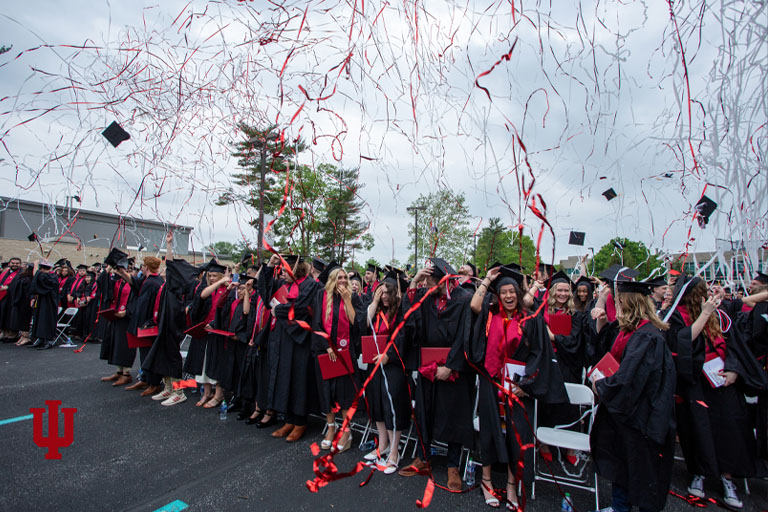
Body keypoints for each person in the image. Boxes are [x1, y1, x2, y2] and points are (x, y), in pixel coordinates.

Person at [468, 265, 567, 509]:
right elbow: (473, 306)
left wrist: (527, 385)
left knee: (517, 436)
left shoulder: (530, 320)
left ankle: (512, 486)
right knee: (490, 431)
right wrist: (487, 280)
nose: (509, 296)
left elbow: (539, 355)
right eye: (504, 292)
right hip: (491, 382)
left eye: (513, 291)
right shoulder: (491, 316)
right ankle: (486, 481)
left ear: (518, 293)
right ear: (498, 295)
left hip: (517, 387)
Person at [665, 275, 768, 510]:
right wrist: (703, 313)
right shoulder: (676, 315)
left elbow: (735, 346)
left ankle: (727, 478)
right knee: (697, 429)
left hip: (723, 382)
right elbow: (683, 340)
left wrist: (734, 370)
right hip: (695, 381)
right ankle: (699, 472)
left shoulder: (721, 315)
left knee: (729, 429)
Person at [590, 278, 676, 512]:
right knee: (622, 468)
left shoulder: (646, 337)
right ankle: (619, 507)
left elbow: (628, 381)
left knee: (636, 471)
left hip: (639, 419)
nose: (615, 305)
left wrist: (602, 385)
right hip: (625, 417)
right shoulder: (630, 332)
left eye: (618, 301)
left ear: (628, 303)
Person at [397, 258, 473, 492]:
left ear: (444, 279)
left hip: (454, 369)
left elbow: (465, 335)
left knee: (453, 415)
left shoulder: (463, 299)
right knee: (423, 411)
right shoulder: (427, 299)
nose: (428, 283)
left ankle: (453, 466)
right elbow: (409, 318)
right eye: (427, 279)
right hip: (429, 366)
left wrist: (451, 366)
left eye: (431, 279)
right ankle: (422, 457)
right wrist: (414, 282)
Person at [258, 254, 322, 441]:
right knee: (284, 377)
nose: (282, 273)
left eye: (285, 270)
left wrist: (277, 311)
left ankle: (300, 422)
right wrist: (270, 265)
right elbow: (266, 293)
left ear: (296, 269)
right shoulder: (284, 286)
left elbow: (300, 307)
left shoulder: (309, 285)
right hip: (282, 338)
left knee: (298, 380)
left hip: (299, 339)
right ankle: (289, 419)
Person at [141, 232, 201, 406]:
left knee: (173, 358)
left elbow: (170, 264)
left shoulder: (179, 288)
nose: (168, 272)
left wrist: (169, 246)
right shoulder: (167, 286)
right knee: (162, 356)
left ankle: (179, 391)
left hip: (174, 328)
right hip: (163, 325)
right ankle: (168, 387)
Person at [363, 271, 412, 474]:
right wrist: (373, 303)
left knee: (392, 408)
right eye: (381, 292)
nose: (384, 296)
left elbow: (403, 336)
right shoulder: (375, 310)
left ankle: (394, 451)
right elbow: (363, 324)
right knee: (377, 405)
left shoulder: (400, 312)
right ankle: (382, 445)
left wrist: (388, 355)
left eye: (387, 292)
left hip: (392, 366)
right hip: (373, 364)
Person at [311, 264, 363, 452]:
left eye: (344, 278)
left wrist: (348, 300)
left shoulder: (354, 298)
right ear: (332, 280)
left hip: (346, 352)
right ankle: (331, 429)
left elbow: (356, 324)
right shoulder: (321, 296)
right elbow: (316, 323)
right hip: (325, 352)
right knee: (327, 392)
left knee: (346, 394)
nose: (342, 281)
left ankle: (346, 432)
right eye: (338, 278)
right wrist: (327, 346)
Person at [118, 255, 165, 397]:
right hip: (144, 323)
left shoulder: (153, 283)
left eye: (143, 266)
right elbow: (134, 283)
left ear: (147, 267)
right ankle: (145, 378)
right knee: (144, 353)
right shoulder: (149, 280)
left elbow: (145, 305)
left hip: (148, 324)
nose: (142, 268)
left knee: (149, 354)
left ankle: (154, 383)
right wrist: (121, 272)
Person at [28, 260, 59, 350]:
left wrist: (36, 266)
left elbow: (40, 278)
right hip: (41, 301)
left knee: (46, 320)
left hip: (49, 302)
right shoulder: (45, 275)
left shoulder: (52, 276)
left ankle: (48, 340)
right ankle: (40, 339)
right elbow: (36, 281)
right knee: (39, 320)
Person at [10, 264, 35, 346]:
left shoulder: (25, 279)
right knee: (23, 320)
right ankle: (23, 337)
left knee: (24, 320)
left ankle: (26, 337)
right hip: (23, 302)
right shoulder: (27, 279)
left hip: (24, 303)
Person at [0, 257, 22, 342]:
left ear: (20, 264)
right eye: (13, 263)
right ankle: (5, 334)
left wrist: (8, 287)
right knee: (3, 315)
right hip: (3, 297)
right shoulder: (5, 273)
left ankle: (12, 335)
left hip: (14, 298)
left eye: (17, 263)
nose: (15, 265)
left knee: (11, 317)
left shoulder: (21, 274)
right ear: (9, 264)